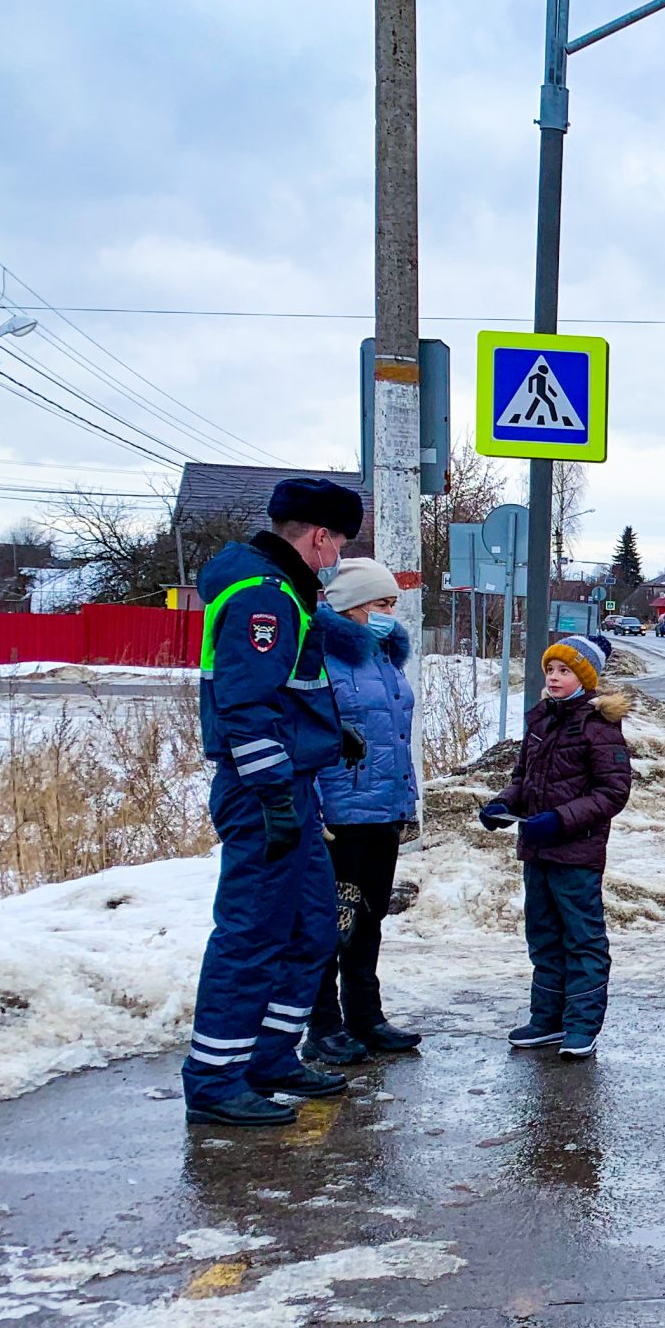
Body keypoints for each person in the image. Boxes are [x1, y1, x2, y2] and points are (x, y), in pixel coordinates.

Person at [182, 476, 373, 1127]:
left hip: (291, 782)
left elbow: (285, 691)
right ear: (319, 536)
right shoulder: (264, 595)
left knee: (313, 924)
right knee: (252, 931)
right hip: (263, 789)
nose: (338, 558)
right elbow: (243, 705)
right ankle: (215, 1079)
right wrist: (273, 794)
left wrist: (325, 734)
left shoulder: (283, 588)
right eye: (338, 544)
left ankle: (270, 1057)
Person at [480, 638, 633, 1059]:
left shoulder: (598, 727)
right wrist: (504, 803)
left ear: (584, 678)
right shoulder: (541, 720)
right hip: (536, 849)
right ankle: (546, 1019)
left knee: (582, 938)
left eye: (565, 671)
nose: (554, 677)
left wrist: (561, 819)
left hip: (577, 853)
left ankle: (581, 1025)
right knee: (543, 936)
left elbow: (613, 791)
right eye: (551, 669)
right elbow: (523, 777)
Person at [303, 558, 423, 1066]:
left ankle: (365, 1017)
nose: (389, 613)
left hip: (383, 810)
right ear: (348, 605)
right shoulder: (320, 656)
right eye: (380, 603)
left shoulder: (383, 658)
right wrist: (312, 810)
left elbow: (395, 740)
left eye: (392, 604)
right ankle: (323, 1026)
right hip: (339, 815)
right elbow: (308, 737)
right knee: (334, 922)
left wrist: (407, 800)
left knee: (369, 919)